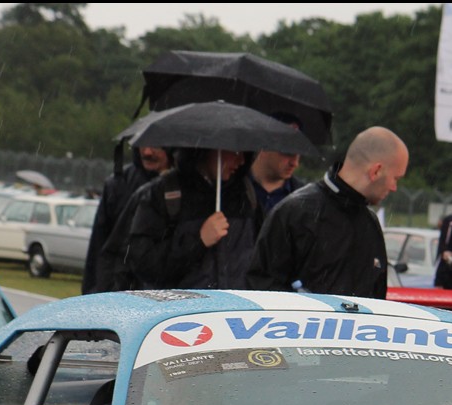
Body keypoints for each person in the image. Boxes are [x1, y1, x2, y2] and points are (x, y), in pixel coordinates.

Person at [247, 126, 408, 299]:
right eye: (395, 178)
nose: (394, 188)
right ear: (375, 171)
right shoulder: (295, 212)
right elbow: (261, 289)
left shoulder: (370, 223)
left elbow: (376, 300)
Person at [125, 147, 261, 290]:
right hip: (184, 310)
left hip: (236, 309)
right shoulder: (163, 193)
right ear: (210, 150)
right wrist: (198, 241)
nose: (241, 161)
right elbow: (143, 265)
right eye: (236, 152)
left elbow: (262, 264)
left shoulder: (246, 193)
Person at [85, 144, 169, 293]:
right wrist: (92, 292)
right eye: (143, 144)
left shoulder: (188, 188)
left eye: (156, 145)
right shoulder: (118, 185)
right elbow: (100, 246)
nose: (147, 152)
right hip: (120, 289)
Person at [249, 112, 305, 215]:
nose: (295, 163)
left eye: (299, 154)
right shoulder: (230, 190)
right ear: (265, 145)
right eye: (288, 153)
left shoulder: (304, 199)